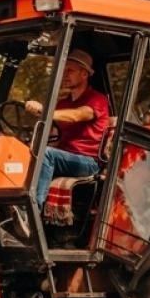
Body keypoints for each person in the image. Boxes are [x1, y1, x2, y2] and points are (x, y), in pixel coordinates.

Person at [26, 48, 110, 207]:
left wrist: (42, 111)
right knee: (26, 151)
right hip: (63, 157)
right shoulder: (62, 103)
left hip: (87, 162)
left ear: (84, 74)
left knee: (46, 154)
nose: (64, 74)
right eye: (63, 70)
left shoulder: (97, 99)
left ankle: (33, 210)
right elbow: (53, 135)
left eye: (70, 70)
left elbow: (77, 115)